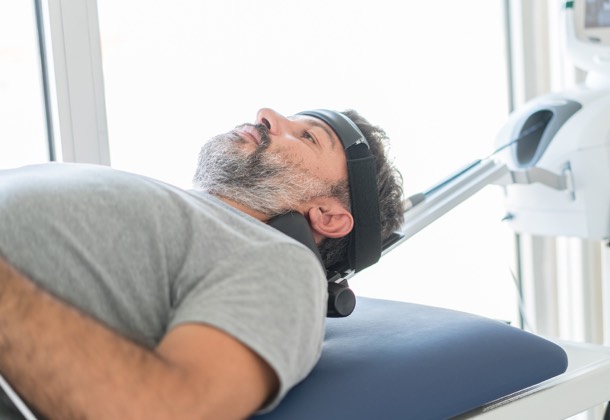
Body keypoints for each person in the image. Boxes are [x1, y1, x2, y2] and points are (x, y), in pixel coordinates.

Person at [0, 108, 405, 419]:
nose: (266, 114)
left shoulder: (282, 264)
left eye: (307, 137)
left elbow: (169, 410)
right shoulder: (185, 218)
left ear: (328, 216)